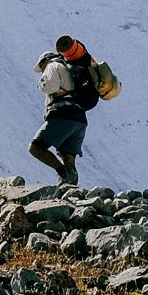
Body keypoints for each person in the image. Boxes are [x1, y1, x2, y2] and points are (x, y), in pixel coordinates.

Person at [29, 35, 100, 185]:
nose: (41, 71)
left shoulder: (52, 66)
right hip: (80, 119)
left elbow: (50, 86)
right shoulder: (72, 68)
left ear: (45, 60)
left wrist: (40, 84)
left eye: (40, 67)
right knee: (68, 156)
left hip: (63, 114)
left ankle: (63, 173)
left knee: (36, 148)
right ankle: (70, 190)